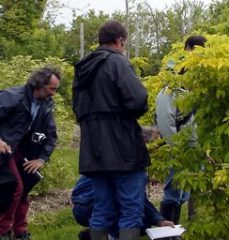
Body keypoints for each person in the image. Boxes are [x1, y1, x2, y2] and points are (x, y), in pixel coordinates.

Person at [72, 20, 150, 240]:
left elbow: (77, 109)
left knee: (102, 208)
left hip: (93, 149)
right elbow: (137, 100)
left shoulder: (82, 68)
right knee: (130, 209)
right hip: (122, 147)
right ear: (120, 40)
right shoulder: (118, 62)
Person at [0, 67, 60, 240]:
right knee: (13, 187)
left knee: (24, 187)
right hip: (4, 151)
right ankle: (3, 231)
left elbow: (51, 135)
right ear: (39, 85)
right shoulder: (13, 96)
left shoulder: (45, 105)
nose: (54, 94)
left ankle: (20, 232)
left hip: (20, 151)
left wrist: (41, 159)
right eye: (52, 89)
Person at [155, 36, 207, 227]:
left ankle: (189, 228)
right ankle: (167, 233)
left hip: (196, 146)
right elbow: (165, 119)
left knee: (188, 190)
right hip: (180, 147)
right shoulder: (172, 82)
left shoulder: (200, 82)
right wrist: (176, 147)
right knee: (174, 191)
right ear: (187, 49)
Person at [71, 176, 175, 240]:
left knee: (142, 222)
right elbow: (135, 198)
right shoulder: (127, 160)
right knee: (134, 220)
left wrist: (159, 221)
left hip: (82, 205)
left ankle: (96, 234)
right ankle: (109, 234)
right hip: (91, 205)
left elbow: (138, 197)